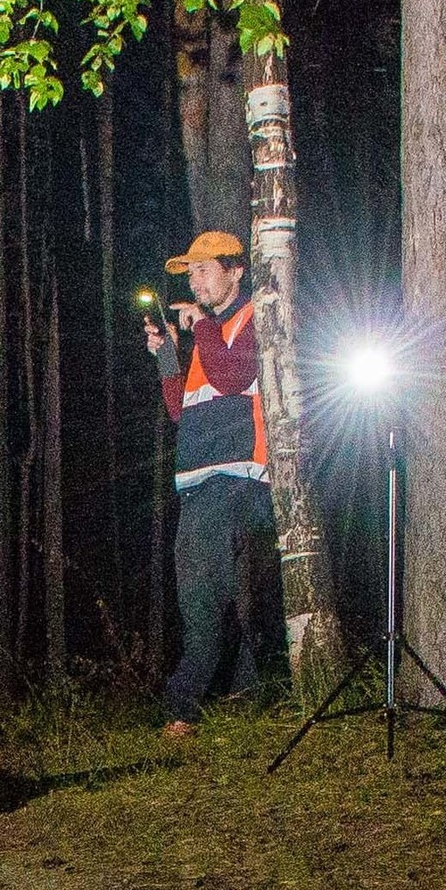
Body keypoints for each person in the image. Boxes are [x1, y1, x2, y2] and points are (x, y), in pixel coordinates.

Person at [142, 230, 278, 737]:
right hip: (204, 482)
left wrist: (199, 329)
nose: (194, 281)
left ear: (235, 271)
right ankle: (247, 704)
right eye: (190, 272)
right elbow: (183, 410)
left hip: (234, 480)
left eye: (203, 269)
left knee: (200, 594)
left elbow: (230, 378)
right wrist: (166, 356)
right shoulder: (211, 334)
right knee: (226, 597)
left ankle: (179, 709)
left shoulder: (249, 320)